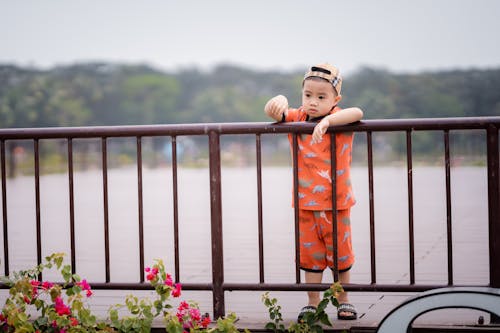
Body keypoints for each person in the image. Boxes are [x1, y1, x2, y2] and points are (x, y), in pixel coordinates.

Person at [264, 63, 363, 321]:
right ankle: (312, 301)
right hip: (305, 203)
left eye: (321, 97)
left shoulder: (340, 119)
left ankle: (344, 299)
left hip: (336, 203)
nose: (313, 102)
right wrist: (277, 101)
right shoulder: (298, 118)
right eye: (308, 95)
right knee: (311, 256)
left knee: (340, 256)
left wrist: (328, 121)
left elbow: (358, 111)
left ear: (335, 99)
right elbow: (274, 113)